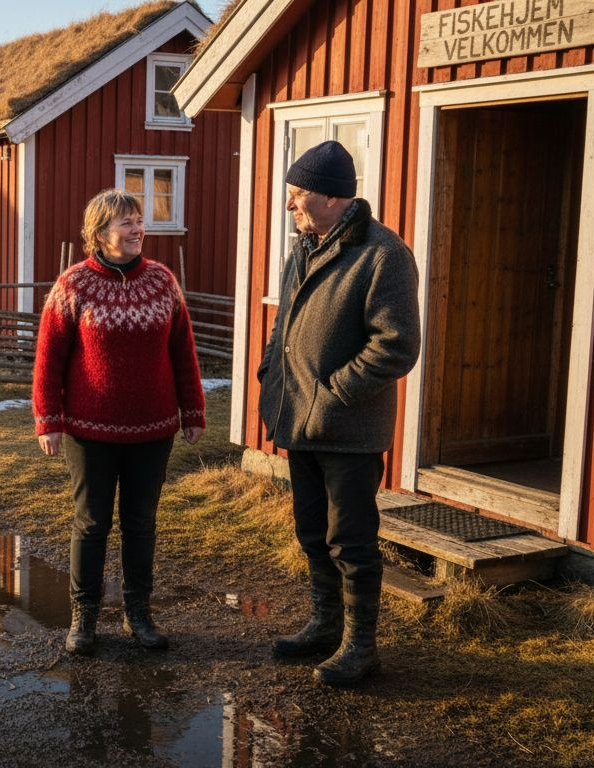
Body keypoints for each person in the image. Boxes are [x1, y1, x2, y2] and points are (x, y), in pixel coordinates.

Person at [257, 140, 420, 686]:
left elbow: (396, 346)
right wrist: (269, 376)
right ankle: (324, 627)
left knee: (350, 539)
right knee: (310, 531)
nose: (290, 206)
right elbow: (284, 327)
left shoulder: (383, 254)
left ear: (331, 196)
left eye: (297, 195)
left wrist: (332, 395)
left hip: (346, 427)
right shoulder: (304, 247)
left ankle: (360, 647)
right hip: (297, 418)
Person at [33, 188, 206, 656]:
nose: (137, 229)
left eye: (138, 221)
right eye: (127, 222)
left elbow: (182, 352)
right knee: (91, 523)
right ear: (100, 232)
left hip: (154, 428)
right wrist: (47, 418)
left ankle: (138, 614)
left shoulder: (162, 281)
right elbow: (49, 359)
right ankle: (83, 618)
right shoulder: (73, 285)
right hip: (89, 431)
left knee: (141, 523)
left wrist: (192, 411)